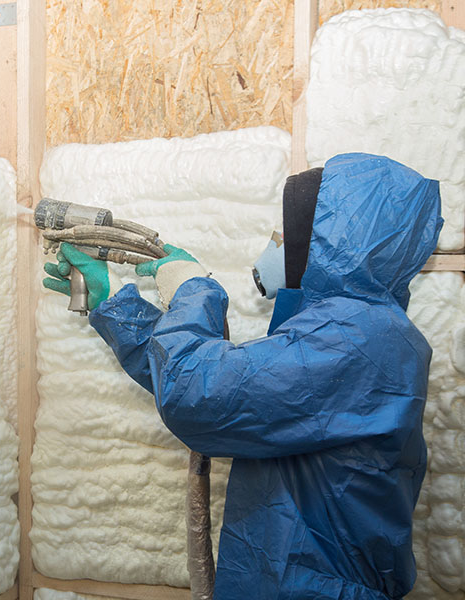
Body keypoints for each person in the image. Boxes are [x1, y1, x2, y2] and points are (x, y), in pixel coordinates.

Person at [42, 153, 443, 599]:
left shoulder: (357, 337)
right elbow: (232, 393)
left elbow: (200, 394)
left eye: (284, 233)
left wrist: (194, 289)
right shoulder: (348, 332)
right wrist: (114, 304)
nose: (275, 244)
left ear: (328, 245)